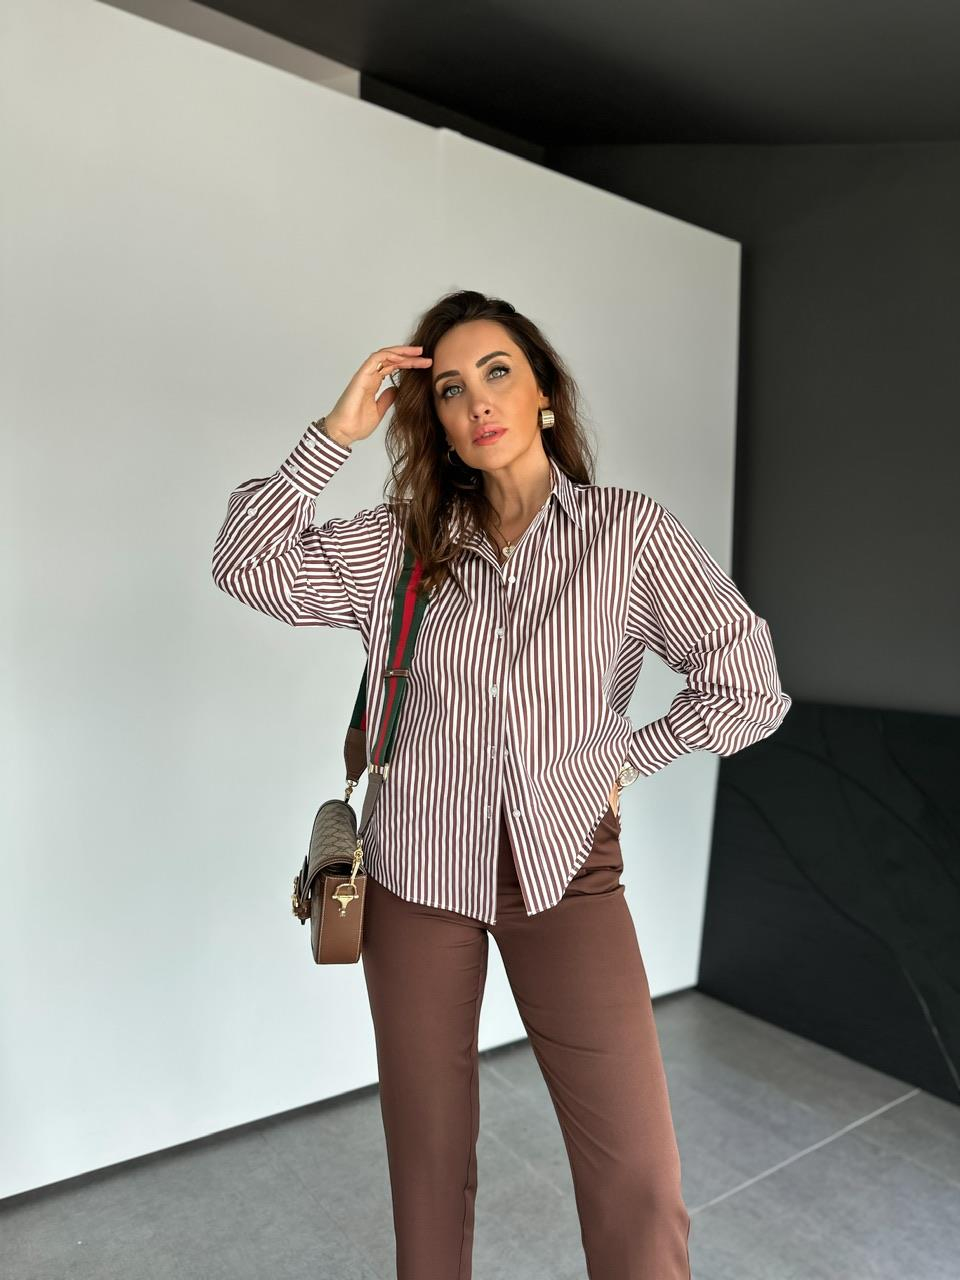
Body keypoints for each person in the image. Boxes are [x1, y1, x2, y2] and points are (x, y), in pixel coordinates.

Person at [212, 288, 792, 1279]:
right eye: (449, 388)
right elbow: (246, 563)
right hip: (416, 876)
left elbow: (750, 686)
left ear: (543, 393)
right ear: (435, 420)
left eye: (497, 372)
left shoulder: (628, 535)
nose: (477, 400)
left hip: (566, 870)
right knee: (428, 1172)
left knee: (639, 1182)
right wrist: (336, 432)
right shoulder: (403, 541)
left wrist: (623, 756)